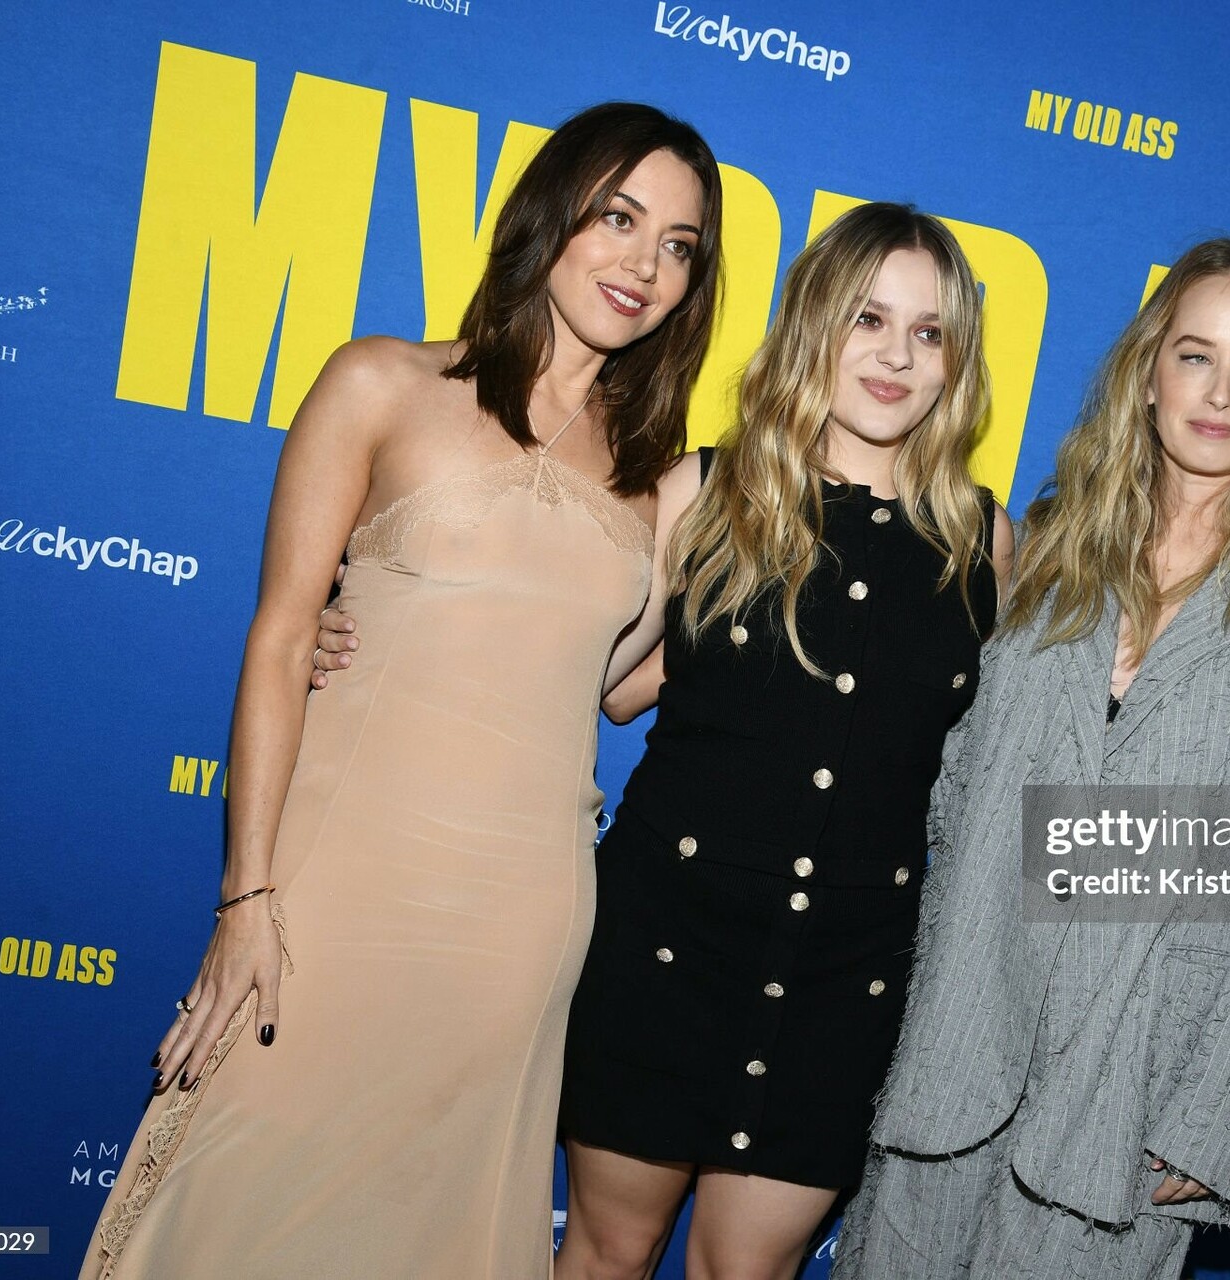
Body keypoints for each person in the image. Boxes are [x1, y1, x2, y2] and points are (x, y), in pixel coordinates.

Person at [81, 101, 723, 1279]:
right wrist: (247, 895)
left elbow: (616, 687)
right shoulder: (384, 381)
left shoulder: (653, 483)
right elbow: (283, 635)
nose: (644, 262)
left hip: (520, 922)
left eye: (679, 245)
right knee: (232, 1208)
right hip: (335, 886)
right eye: (620, 217)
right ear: (552, 211)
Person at [313, 202, 1014, 1280]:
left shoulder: (982, 537)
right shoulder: (703, 489)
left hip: (847, 977)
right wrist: (377, 616)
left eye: (929, 333)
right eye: (867, 319)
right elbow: (597, 677)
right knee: (607, 1252)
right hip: (665, 944)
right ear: (812, 326)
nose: (896, 356)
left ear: (956, 362)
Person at [831, 240, 1230, 1278]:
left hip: (1135, 1088)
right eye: (1197, 355)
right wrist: (913, 994)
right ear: (1149, 371)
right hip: (958, 1038)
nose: (1221, 393)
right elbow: (957, 792)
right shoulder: (1058, 540)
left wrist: (1216, 1116)